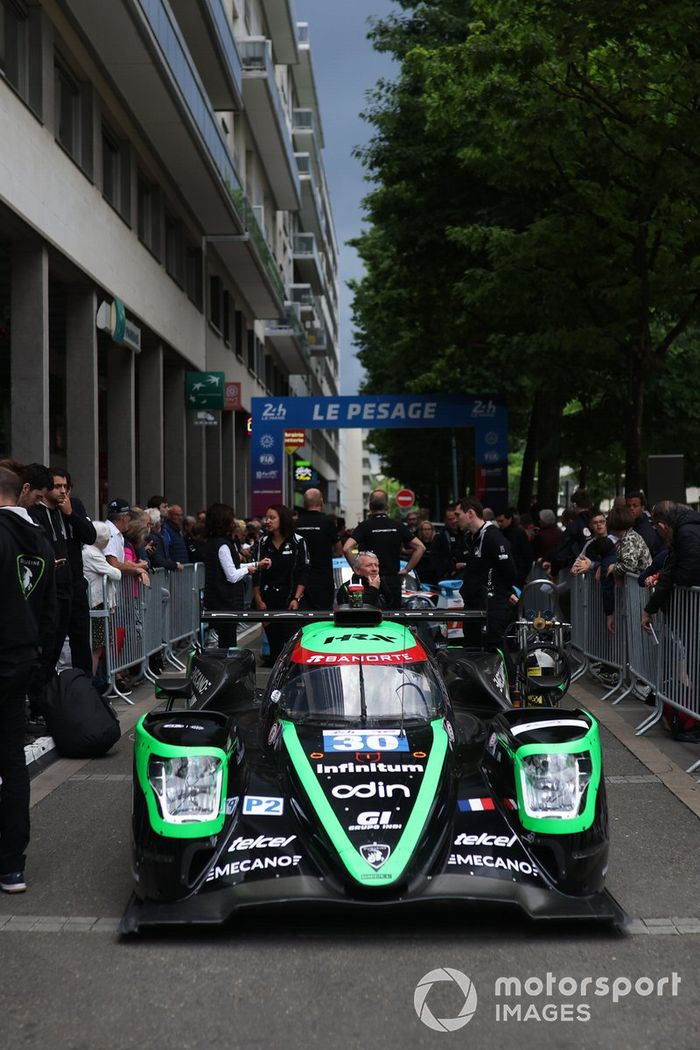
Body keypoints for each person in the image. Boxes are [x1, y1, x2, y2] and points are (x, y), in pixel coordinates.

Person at [0, 465, 56, 893]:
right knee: (12, 762)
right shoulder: (40, 540)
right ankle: (12, 864)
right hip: (22, 661)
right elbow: (51, 610)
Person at [454, 497, 517, 657]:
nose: (456, 519)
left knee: (495, 646)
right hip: (474, 602)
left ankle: (509, 682)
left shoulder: (493, 537)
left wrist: (504, 592)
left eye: (458, 514)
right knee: (472, 644)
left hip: (491, 603)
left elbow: (509, 570)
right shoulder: (471, 538)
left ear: (470, 513)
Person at [203, 503, 270, 648]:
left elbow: (232, 568)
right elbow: (232, 575)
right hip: (225, 601)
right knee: (227, 642)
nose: (234, 522)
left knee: (226, 642)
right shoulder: (223, 545)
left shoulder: (213, 543)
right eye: (231, 518)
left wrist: (256, 565)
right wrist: (250, 569)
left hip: (218, 600)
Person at [343, 490, 424, 609]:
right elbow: (420, 547)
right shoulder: (398, 525)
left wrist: (357, 569)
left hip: (369, 580)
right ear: (387, 506)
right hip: (392, 581)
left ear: (370, 507)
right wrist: (407, 569)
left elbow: (346, 548)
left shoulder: (364, 526)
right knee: (394, 618)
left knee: (369, 615)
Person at [50, 469, 97, 675]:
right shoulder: (43, 511)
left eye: (65, 487)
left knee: (80, 641)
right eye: (57, 486)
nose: (62, 492)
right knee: (54, 642)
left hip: (76, 583)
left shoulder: (74, 505)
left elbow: (90, 535)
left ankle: (85, 687)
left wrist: (70, 514)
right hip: (55, 585)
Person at [253, 504, 309, 662]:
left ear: (282, 519)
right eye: (266, 517)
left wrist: (296, 598)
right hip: (268, 601)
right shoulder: (263, 542)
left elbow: (303, 572)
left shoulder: (298, 541)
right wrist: (258, 600)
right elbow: (256, 572)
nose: (267, 521)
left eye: (272, 517)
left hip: (291, 599)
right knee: (274, 649)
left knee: (292, 647)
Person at [642, 501, 700, 632]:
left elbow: (684, 573)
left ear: (662, 526)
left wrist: (665, 578)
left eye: (656, 529)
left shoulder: (684, 533)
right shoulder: (688, 528)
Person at [82, 522, 122, 674]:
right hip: (96, 603)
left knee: (99, 646)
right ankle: (90, 683)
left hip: (99, 602)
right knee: (96, 647)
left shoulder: (93, 552)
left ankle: (95, 680)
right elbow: (115, 574)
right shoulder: (91, 554)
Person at [294, 488, 339, 611]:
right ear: (322, 502)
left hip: (301, 579)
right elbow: (339, 548)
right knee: (324, 616)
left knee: (303, 615)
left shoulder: (296, 524)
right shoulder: (328, 522)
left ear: (304, 504)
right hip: (323, 578)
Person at [495, 507, 533, 588]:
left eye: (501, 521)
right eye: (497, 521)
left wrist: (521, 576)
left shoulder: (519, 533)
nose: (499, 524)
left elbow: (527, 555)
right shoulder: (498, 533)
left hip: (516, 576)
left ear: (510, 519)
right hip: (503, 576)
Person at [625, 490, 662, 558]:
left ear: (642, 508)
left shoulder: (647, 529)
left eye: (635, 506)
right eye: (628, 506)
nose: (631, 508)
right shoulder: (626, 525)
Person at [415, 520, 443, 586]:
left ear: (432, 530)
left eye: (429, 529)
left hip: (434, 577)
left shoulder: (437, 544)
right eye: (424, 529)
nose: (427, 531)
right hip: (420, 576)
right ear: (421, 531)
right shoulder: (417, 544)